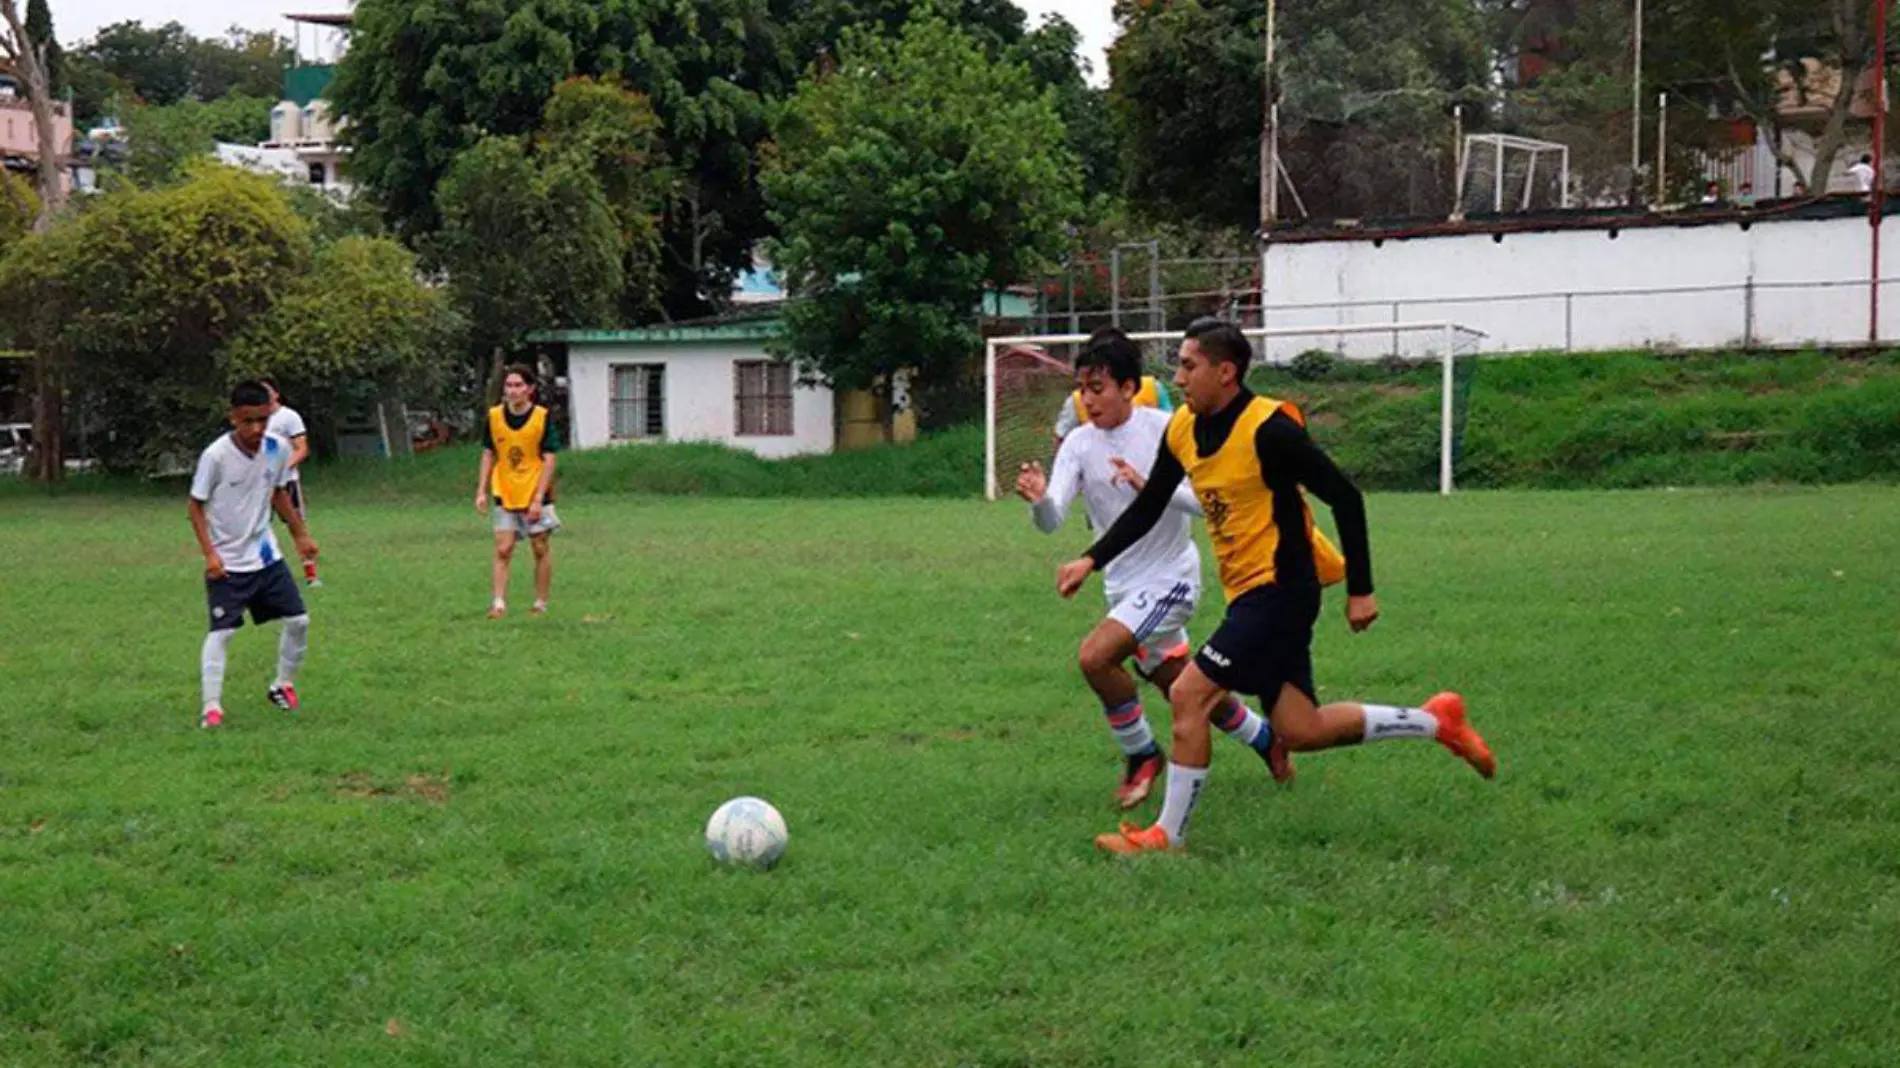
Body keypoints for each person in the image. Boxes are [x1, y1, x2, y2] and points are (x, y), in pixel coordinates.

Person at [1056, 318, 1496, 855]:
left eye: (1189, 366)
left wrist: (1362, 588)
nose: (1179, 377)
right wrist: (1090, 559)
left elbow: (1345, 497)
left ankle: (1165, 837)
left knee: (1189, 694)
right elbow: (1149, 506)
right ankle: (1436, 721)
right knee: (1301, 729)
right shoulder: (1183, 429)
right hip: (1248, 592)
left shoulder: (1270, 429)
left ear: (1226, 371)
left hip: (1282, 589)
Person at [1019, 328, 1291, 808]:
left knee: (1095, 657)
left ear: (1128, 388)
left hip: (1171, 580)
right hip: (1123, 587)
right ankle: (1265, 739)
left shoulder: (1171, 428)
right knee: (1180, 684)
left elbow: (1209, 504)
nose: (1088, 400)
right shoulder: (1081, 444)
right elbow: (1052, 519)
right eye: (1082, 389)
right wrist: (1040, 499)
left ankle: (1142, 754)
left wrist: (1151, 485)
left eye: (1098, 388)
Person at [188, 381, 320, 729]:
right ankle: (212, 708)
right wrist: (210, 556)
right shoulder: (215, 456)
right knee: (223, 633)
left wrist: (300, 534)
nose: (256, 429)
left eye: (263, 420)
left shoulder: (276, 449)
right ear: (233, 418)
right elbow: (195, 507)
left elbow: (278, 494)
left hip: (265, 557)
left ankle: (282, 685)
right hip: (228, 563)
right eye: (248, 421)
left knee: (299, 622)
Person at [475, 364, 561, 619]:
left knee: (539, 548)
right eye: (508, 385)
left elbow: (549, 458)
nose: (512, 391)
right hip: (505, 490)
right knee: (503, 548)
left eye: (518, 385)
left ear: (530, 389)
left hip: (535, 491)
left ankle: (540, 603)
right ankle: (498, 603)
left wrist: (538, 498)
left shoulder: (541, 418)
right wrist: (481, 490)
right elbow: (488, 453)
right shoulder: (494, 417)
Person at [260, 379, 321, 587]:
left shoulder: (288, 417)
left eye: (267, 391)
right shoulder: (255, 418)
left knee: (297, 526)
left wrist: (284, 467)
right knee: (258, 527)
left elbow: (301, 448)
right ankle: (262, 575)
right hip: (259, 484)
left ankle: (311, 575)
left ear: (276, 394)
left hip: (287, 483)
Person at [1052, 363, 1171, 445]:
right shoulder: (1076, 401)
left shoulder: (1153, 389)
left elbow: (1173, 432)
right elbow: (1061, 439)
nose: (1087, 401)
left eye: (1098, 388)